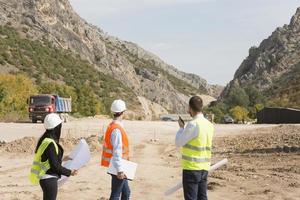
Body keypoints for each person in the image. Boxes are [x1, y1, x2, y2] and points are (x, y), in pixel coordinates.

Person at [29, 113, 78, 200]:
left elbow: (48, 159)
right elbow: (55, 166)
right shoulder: (50, 143)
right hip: (49, 179)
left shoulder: (45, 139)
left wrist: (62, 158)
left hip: (45, 178)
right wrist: (70, 172)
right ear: (57, 127)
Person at [175, 96, 214, 200]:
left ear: (190, 108)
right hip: (204, 168)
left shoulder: (193, 124)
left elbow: (179, 142)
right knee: (202, 197)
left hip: (191, 168)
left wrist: (181, 128)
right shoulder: (209, 125)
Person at [101, 99, 130, 200]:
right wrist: (120, 170)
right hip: (117, 167)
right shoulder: (117, 129)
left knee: (126, 192)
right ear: (123, 112)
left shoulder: (113, 125)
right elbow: (117, 151)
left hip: (118, 165)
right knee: (116, 194)